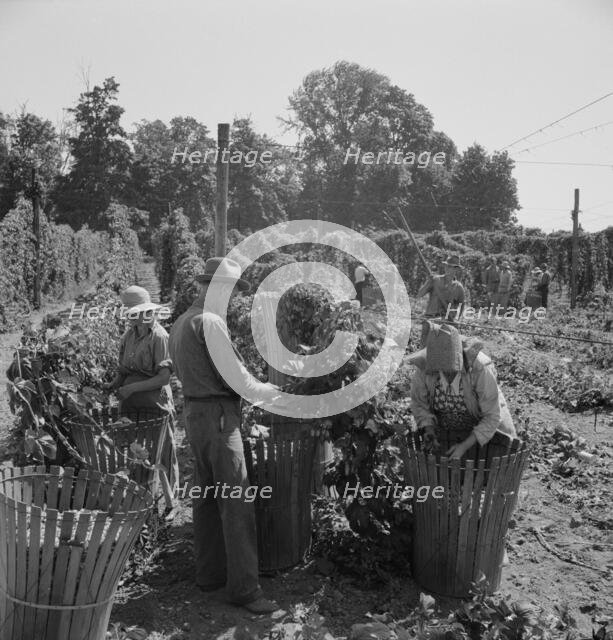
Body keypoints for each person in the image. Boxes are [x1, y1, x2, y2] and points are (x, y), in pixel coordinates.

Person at [169, 257, 283, 614]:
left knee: (204, 497)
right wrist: (272, 391)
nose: (232, 299)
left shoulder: (180, 323)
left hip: (194, 416)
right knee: (236, 503)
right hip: (220, 419)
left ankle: (209, 575)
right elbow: (238, 379)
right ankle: (245, 590)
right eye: (231, 291)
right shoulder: (210, 322)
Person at [105, 285, 179, 516]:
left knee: (161, 450)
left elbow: (164, 376)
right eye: (128, 312)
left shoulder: (160, 337)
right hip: (131, 404)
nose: (130, 316)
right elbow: (124, 370)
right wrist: (113, 384)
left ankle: (170, 502)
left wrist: (134, 387)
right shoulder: (129, 335)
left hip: (155, 403)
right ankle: (141, 498)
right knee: (133, 449)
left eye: (133, 312)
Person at [408, 321, 516, 458]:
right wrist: (429, 429)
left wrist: (464, 446)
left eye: (451, 369)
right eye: (441, 369)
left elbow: (492, 416)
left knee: (489, 465)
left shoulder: (479, 369)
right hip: (447, 433)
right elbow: (419, 404)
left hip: (483, 430)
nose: (446, 374)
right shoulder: (425, 367)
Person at [417, 255, 465, 321]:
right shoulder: (435, 280)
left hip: (447, 322)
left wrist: (457, 319)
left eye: (450, 267)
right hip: (430, 319)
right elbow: (419, 295)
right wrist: (428, 282)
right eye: (447, 266)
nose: (447, 268)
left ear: (456, 269)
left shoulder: (458, 287)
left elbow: (461, 305)